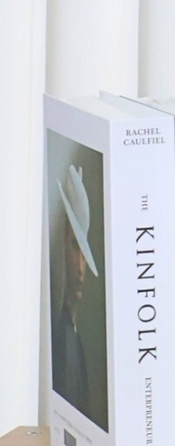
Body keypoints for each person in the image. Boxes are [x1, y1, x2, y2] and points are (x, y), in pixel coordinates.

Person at [52, 164, 98, 417]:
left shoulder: (73, 334)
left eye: (84, 251)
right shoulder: (62, 337)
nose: (81, 266)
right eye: (73, 247)